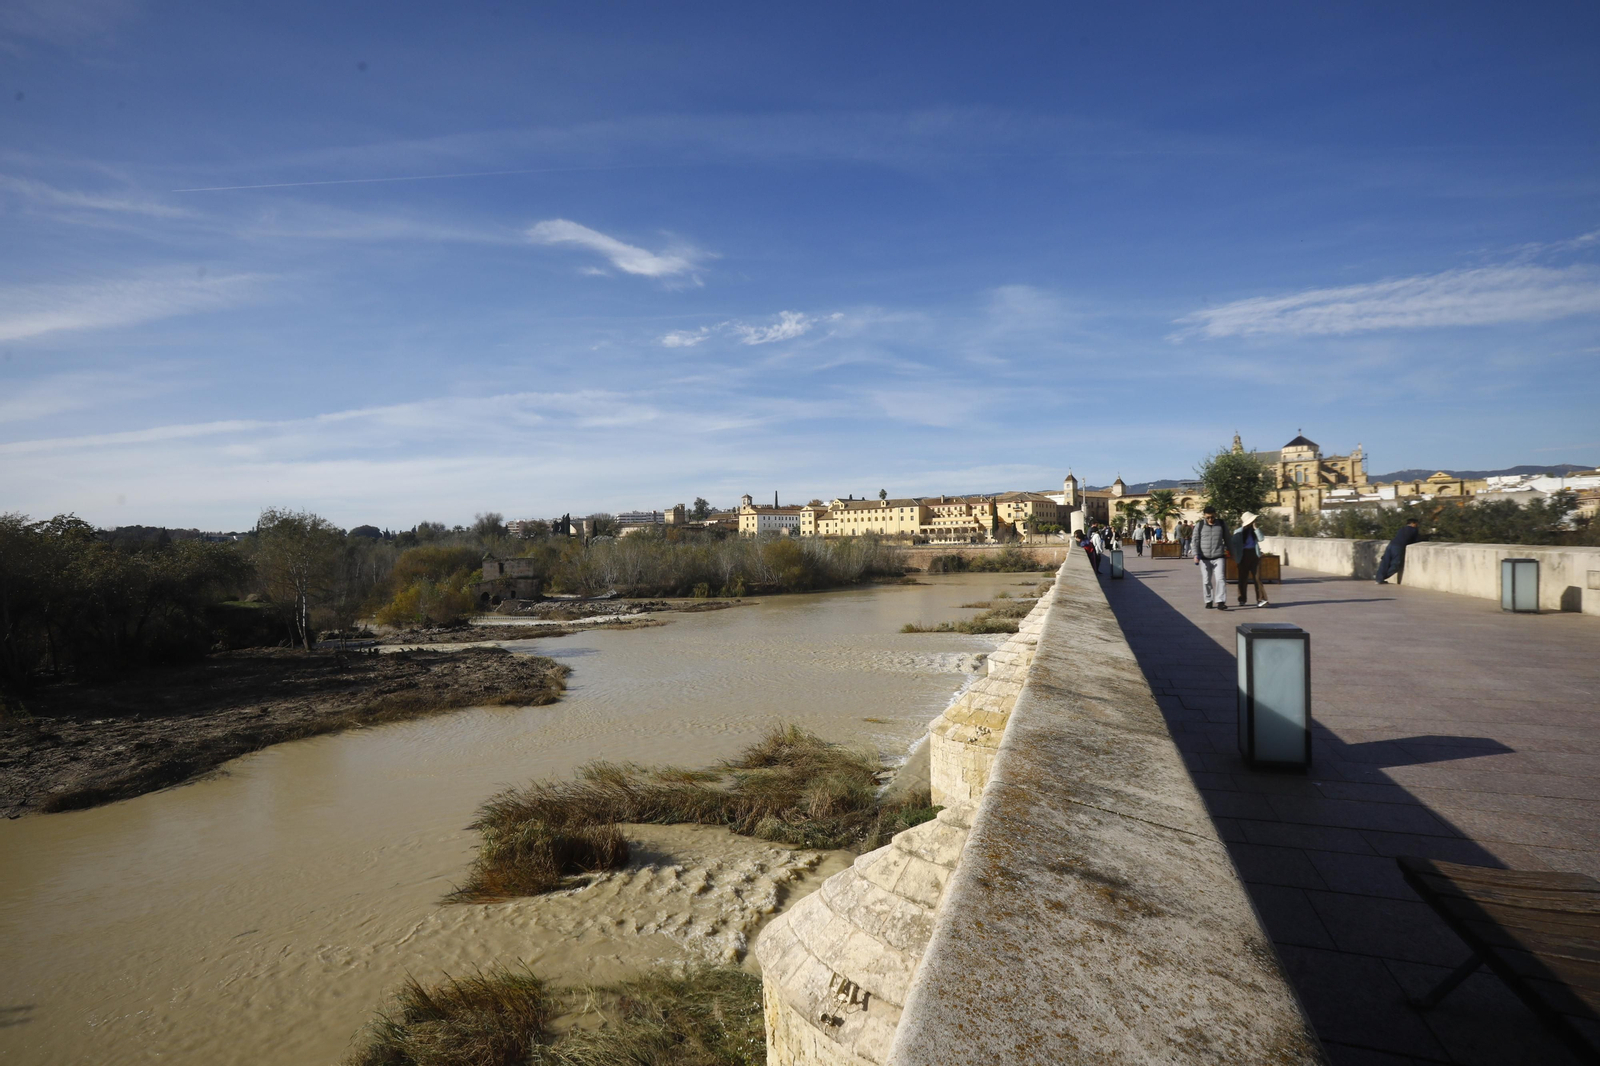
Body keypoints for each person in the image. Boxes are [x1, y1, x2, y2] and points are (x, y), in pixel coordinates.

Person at [1192, 506, 1231, 609]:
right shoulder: (1199, 525)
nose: (1210, 519)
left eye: (1212, 517)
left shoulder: (1221, 524)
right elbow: (1195, 540)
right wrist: (1195, 554)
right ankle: (1208, 600)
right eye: (1208, 517)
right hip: (1204, 558)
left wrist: (1232, 552)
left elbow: (1228, 539)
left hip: (1219, 556)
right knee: (1206, 581)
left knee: (1220, 579)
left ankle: (1220, 601)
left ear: (1215, 515)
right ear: (1204, 516)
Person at [1230, 511, 1269, 608]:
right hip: (1243, 556)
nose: (1254, 522)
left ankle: (1261, 599)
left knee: (1257, 578)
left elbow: (1261, 538)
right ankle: (1242, 599)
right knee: (1243, 578)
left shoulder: (1254, 531)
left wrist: (1256, 529)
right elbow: (1233, 543)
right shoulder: (1238, 532)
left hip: (1254, 555)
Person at [1376, 517, 1422, 584]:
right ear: (1413, 523)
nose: (1417, 525)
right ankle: (1382, 577)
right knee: (1395, 565)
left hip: (1391, 545)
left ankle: (1379, 578)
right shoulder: (1414, 530)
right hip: (1398, 547)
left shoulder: (1401, 529)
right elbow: (1416, 540)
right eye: (1416, 524)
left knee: (1385, 562)